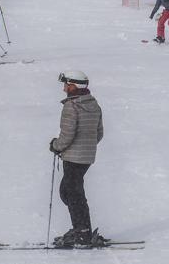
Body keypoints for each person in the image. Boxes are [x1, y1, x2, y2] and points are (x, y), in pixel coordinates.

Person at [49, 72, 104, 247]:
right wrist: (86, 147)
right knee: (70, 192)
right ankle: (81, 228)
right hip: (86, 157)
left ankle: (82, 233)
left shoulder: (71, 106)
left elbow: (67, 136)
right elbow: (99, 133)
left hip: (73, 157)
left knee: (72, 194)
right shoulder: (94, 104)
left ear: (74, 86)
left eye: (66, 84)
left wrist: (55, 146)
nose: (64, 88)